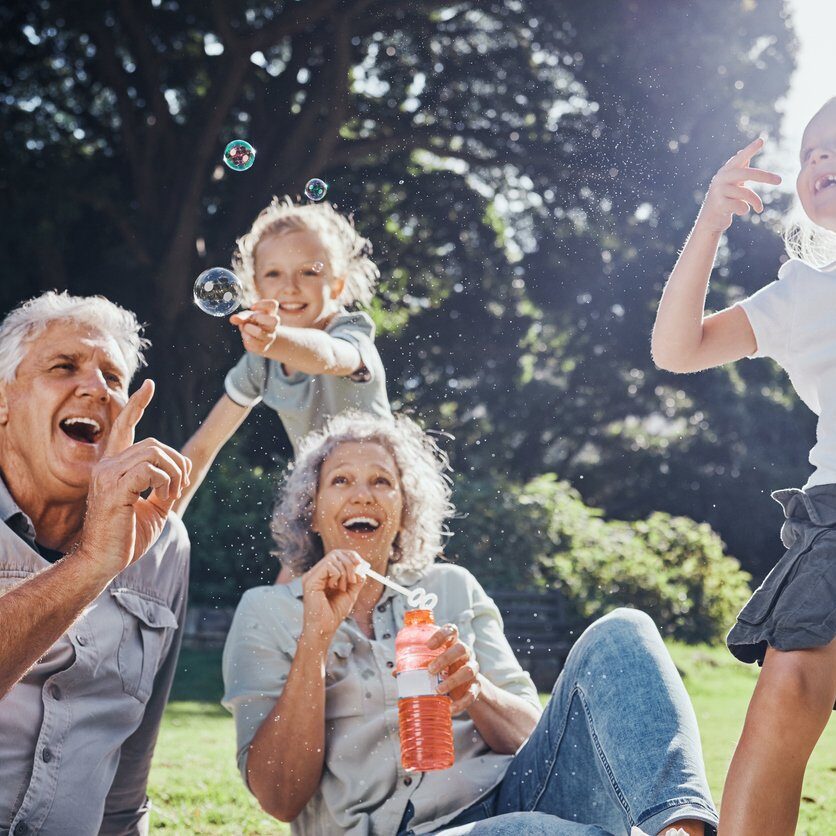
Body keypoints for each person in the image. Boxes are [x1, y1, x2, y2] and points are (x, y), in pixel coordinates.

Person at [222, 411, 718, 836]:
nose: (363, 495)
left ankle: (680, 826)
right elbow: (279, 797)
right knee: (533, 832)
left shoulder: (452, 588)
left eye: (382, 481)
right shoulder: (267, 611)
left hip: (511, 799)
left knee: (624, 632)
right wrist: (315, 640)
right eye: (341, 481)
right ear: (313, 513)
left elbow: (532, 737)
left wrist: (476, 690)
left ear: (403, 511)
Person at [652, 99, 836, 836]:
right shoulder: (806, 293)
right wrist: (709, 224)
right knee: (790, 682)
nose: (821, 160)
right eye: (811, 151)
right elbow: (678, 348)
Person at [0, 291, 192, 835]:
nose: (95, 389)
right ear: (2, 400)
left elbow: (129, 775)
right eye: (63, 366)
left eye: (114, 378)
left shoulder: (163, 541)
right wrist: (94, 565)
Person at [174, 196, 391, 523]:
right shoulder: (261, 361)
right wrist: (158, 523)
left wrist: (277, 341)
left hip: (380, 493)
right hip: (321, 500)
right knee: (295, 573)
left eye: (308, 272)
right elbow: (202, 448)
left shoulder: (351, 332)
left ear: (338, 283)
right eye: (274, 274)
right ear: (255, 287)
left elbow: (329, 356)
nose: (290, 287)